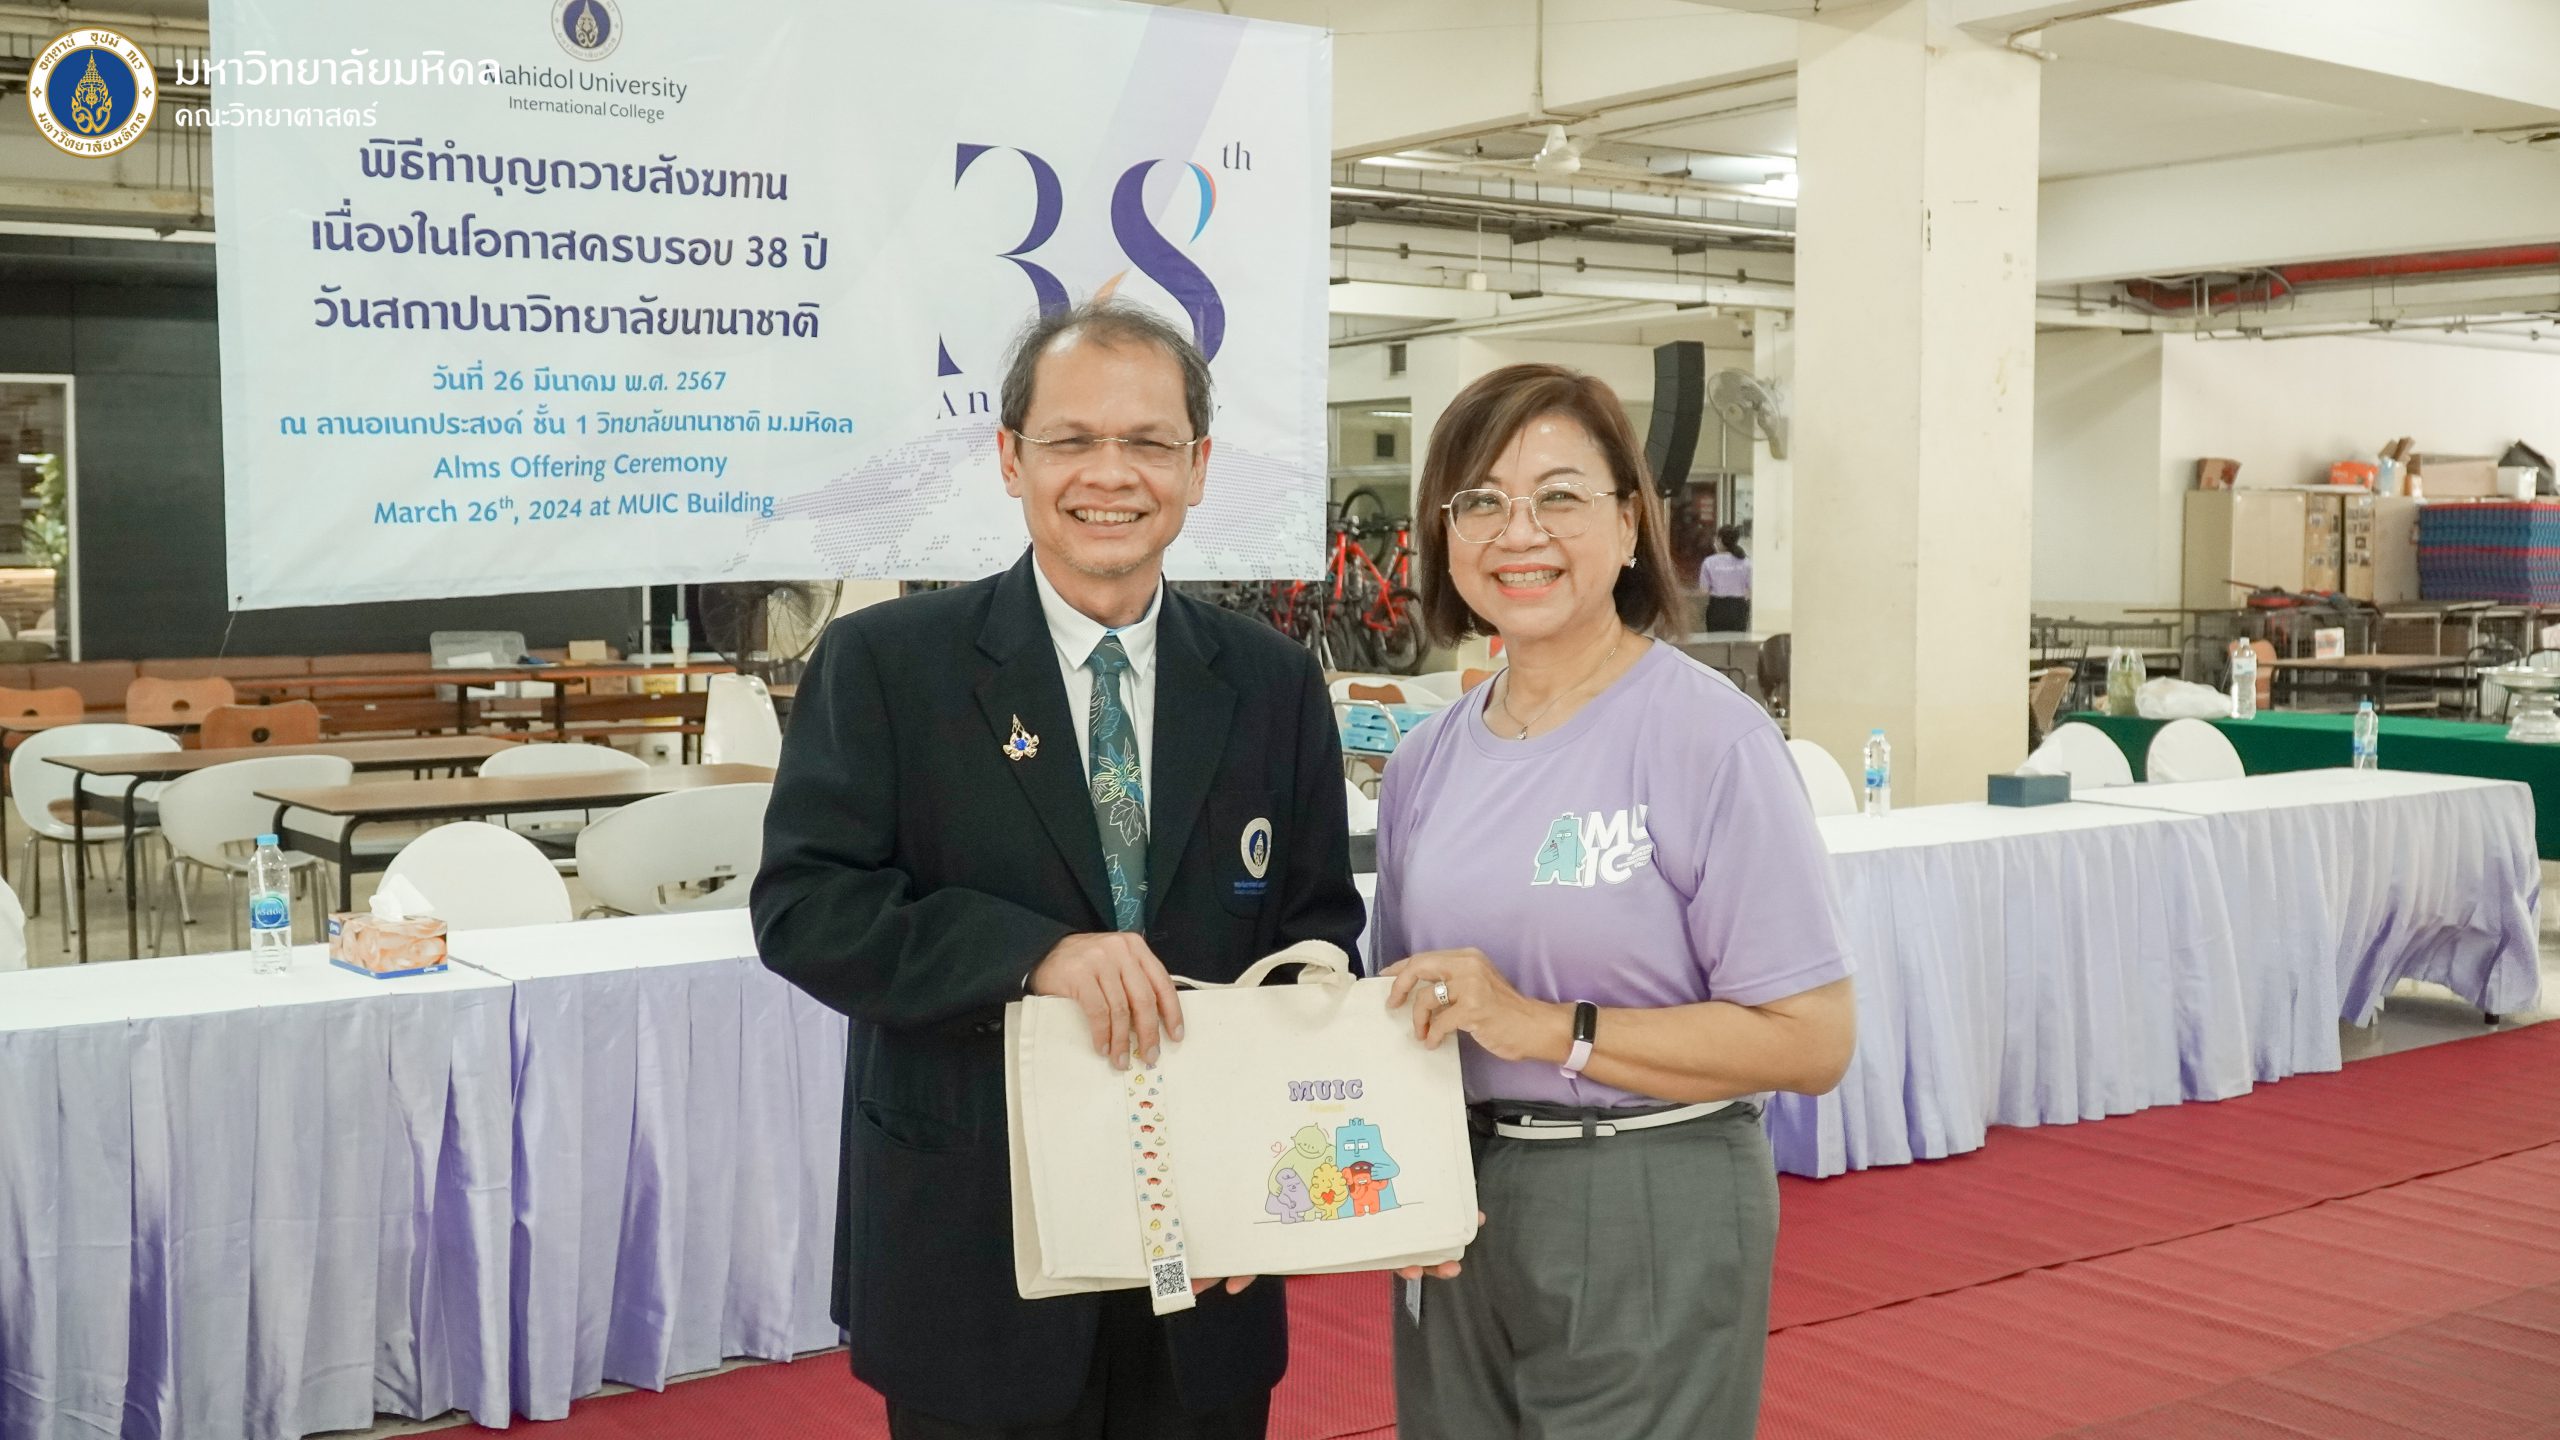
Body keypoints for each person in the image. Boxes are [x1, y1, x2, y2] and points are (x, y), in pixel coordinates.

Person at [753, 298, 1366, 1439]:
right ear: (1010, 459)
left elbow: (1318, 938)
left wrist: (1265, 1178)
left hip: (1207, 1259)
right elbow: (807, 908)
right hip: (974, 1250)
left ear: (1197, 468)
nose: (1110, 474)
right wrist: (1033, 955)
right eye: (1071, 439)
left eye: (1149, 442)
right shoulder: (888, 665)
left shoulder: (1271, 683)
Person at [1371, 363, 1856, 1439]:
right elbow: (1396, 1014)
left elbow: (1812, 1040)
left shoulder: (1709, 738)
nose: (1519, 532)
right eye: (1481, 501)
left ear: (1631, 524)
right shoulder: (1423, 762)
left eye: (1559, 495)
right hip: (1458, 1194)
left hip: (1648, 1184)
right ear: (1445, 534)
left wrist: (1551, 1028)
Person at [1698, 524, 1752, 633]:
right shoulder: (1746, 562)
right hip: (1738, 607)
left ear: (1720, 540)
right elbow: (1750, 589)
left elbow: (1703, 591)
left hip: (1717, 607)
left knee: (1715, 640)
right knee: (1737, 640)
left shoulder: (1709, 562)